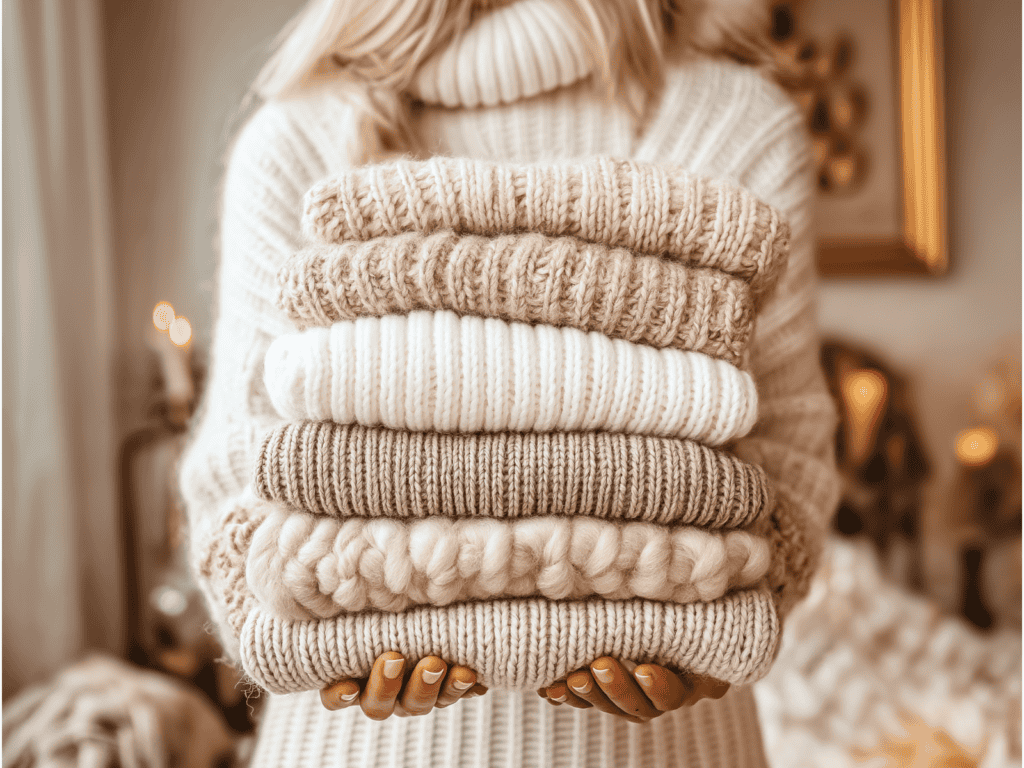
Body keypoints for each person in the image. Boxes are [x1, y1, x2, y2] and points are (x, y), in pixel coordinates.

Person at [179, 0, 841, 765]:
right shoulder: (299, 135)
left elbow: (790, 444)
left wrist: (709, 631)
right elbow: (237, 470)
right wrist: (305, 629)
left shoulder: (735, 122)